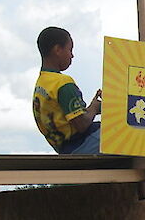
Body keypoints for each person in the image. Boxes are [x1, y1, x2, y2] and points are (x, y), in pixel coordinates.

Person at [32, 26, 102, 154]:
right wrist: (95, 107)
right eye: (70, 50)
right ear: (58, 50)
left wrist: (93, 106)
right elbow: (81, 125)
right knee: (132, 133)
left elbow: (71, 119)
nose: (72, 55)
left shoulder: (42, 84)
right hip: (81, 144)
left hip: (65, 148)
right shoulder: (63, 83)